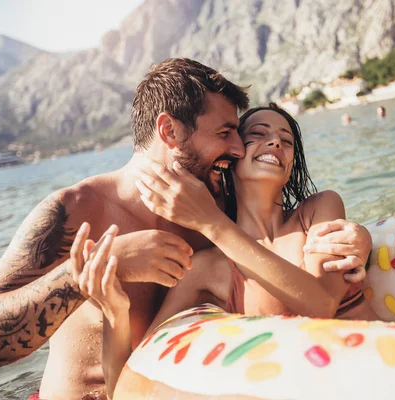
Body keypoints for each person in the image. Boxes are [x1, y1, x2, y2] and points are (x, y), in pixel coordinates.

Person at [0, 60, 371, 399]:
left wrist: (358, 239)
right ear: (170, 131)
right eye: (224, 132)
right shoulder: (76, 211)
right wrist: (87, 272)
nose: (236, 147)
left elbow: (281, 243)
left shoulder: (216, 210)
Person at [76, 103, 378, 395]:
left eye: (286, 141)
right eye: (258, 134)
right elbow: (129, 384)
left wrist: (212, 222)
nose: (275, 142)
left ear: (289, 169)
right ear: (232, 158)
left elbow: (321, 305)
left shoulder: (318, 210)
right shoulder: (206, 269)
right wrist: (115, 312)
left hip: (379, 362)